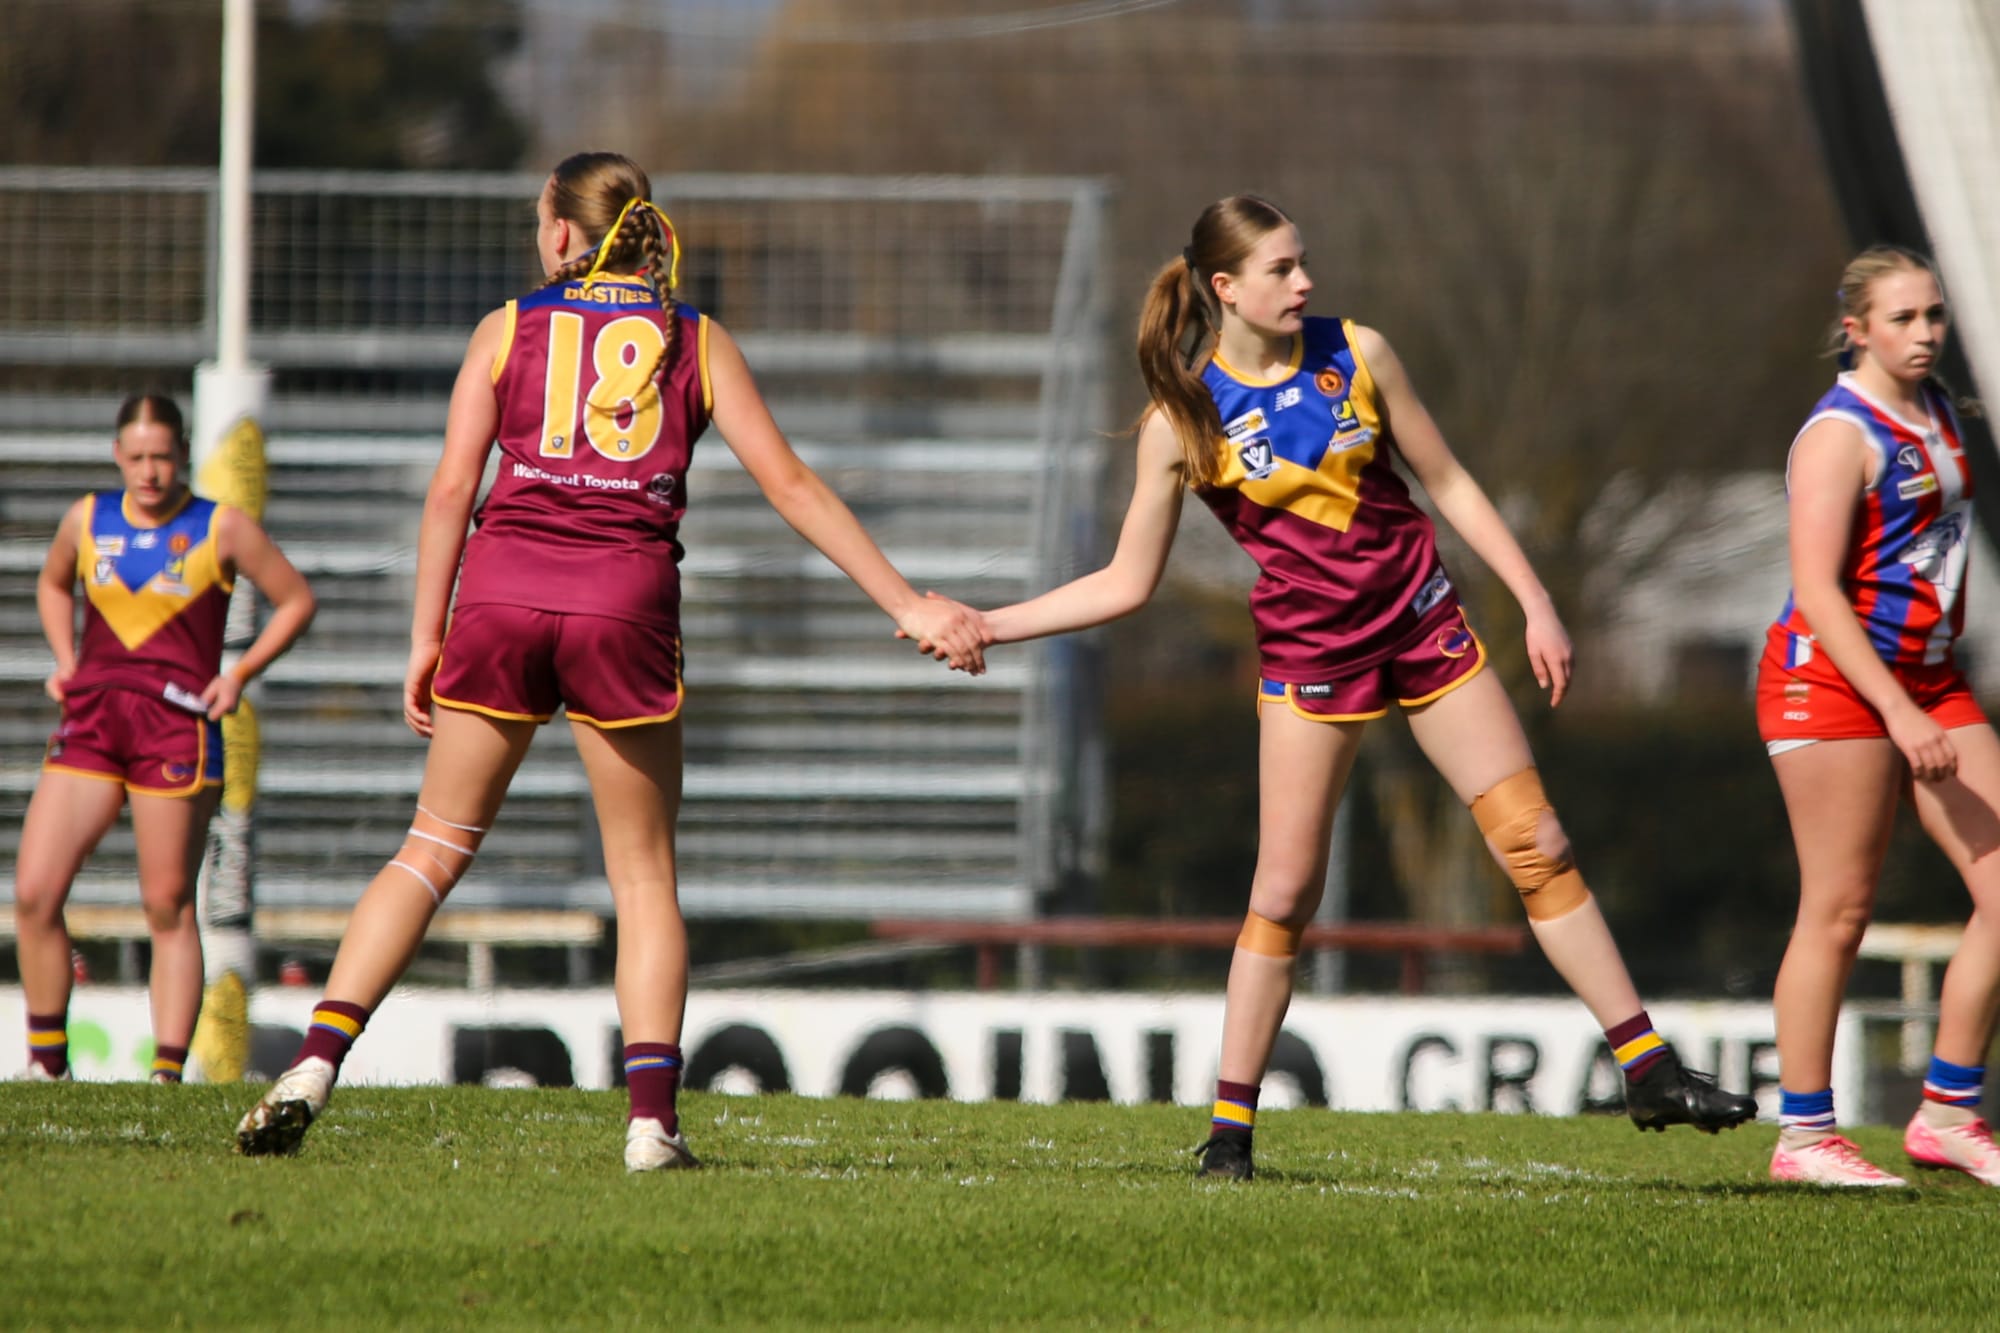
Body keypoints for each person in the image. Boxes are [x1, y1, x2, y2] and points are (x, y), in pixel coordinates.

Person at [970, 196, 1756, 1179]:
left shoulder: (1359, 353)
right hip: (1310, 661)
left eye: (1304, 263)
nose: (1305, 283)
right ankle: (1228, 1134)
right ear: (1225, 288)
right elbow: (1127, 584)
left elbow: (1451, 482)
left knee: (1535, 840)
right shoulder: (1183, 420)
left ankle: (1645, 1066)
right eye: (1281, 269)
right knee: (1286, 890)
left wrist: (1534, 597)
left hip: (1425, 625)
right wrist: (991, 623)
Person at [233, 151, 987, 1170]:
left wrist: (426, 633)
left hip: (498, 597)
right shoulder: (696, 338)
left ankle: (315, 1061)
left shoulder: (505, 328)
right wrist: (907, 602)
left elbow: (453, 487)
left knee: (431, 846)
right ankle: (648, 1126)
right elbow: (793, 484)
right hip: (621, 606)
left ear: (557, 234)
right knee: (641, 877)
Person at [1758, 245, 2000, 1188]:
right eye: (1903, 318)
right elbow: (1817, 591)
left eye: (1934, 315)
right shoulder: (1837, 434)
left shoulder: (1939, 409)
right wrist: (1899, 714)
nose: (1926, 333)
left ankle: (1945, 1110)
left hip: (1927, 675)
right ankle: (1805, 1135)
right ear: (1856, 327)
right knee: (1841, 906)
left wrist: (1920, 694)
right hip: (1834, 682)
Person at [14, 394, 316, 1083]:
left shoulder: (221, 527)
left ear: (182, 453)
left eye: (163, 456)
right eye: (137, 457)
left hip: (175, 727)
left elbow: (296, 598)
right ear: (118, 455)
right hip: (92, 721)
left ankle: (167, 1075)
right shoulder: (88, 519)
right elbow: (54, 583)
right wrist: (65, 657)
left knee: (167, 902)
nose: (149, 472)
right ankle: (46, 1063)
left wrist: (237, 673)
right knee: (34, 891)